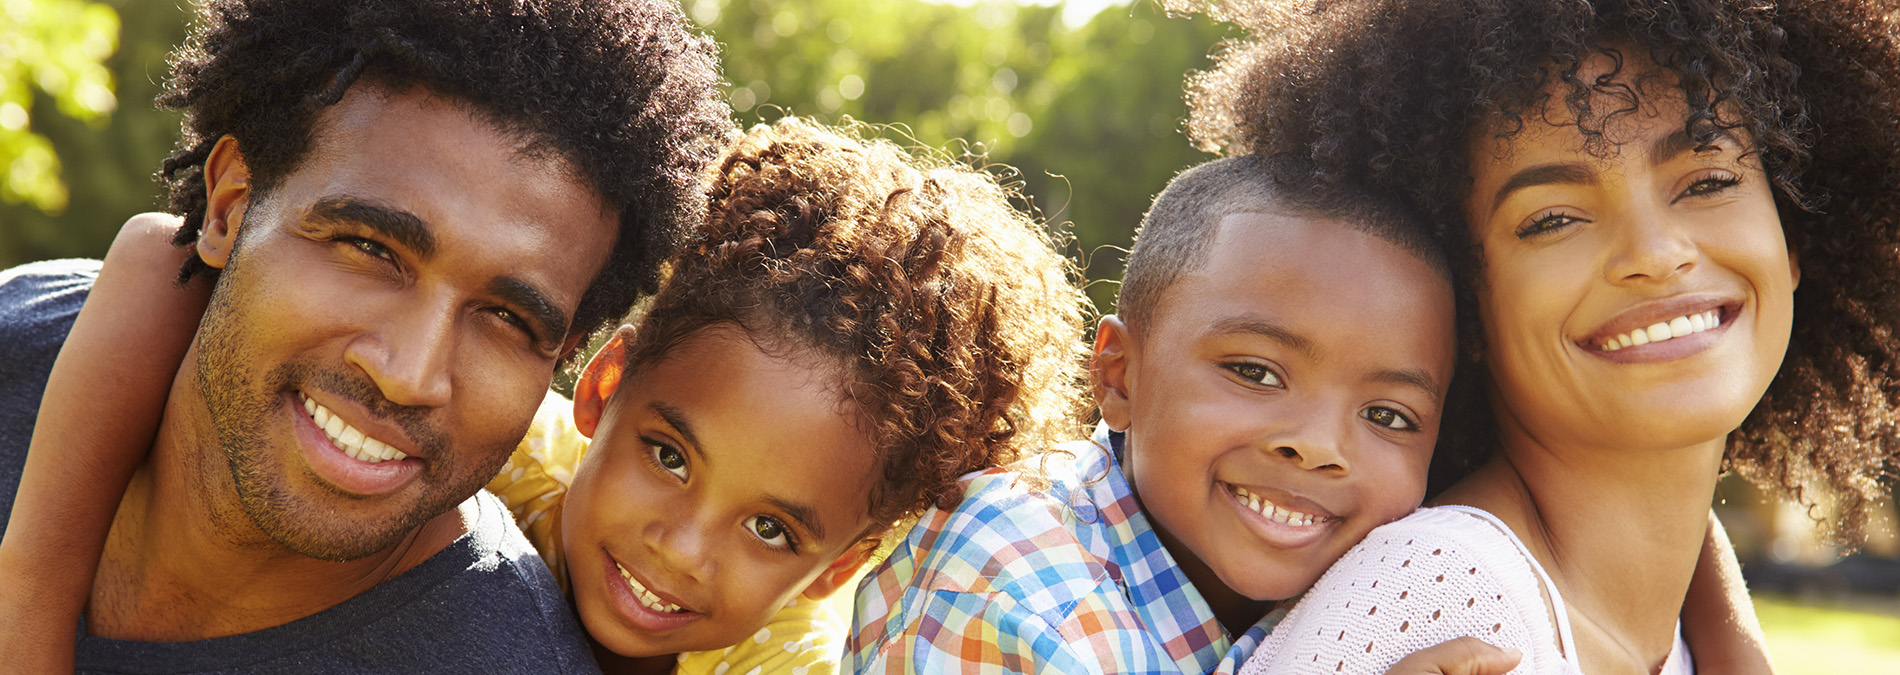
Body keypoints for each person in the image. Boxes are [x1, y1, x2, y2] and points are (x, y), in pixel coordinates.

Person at [9, 117, 1093, 675]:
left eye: (771, 529)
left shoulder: (774, 662)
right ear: (602, 386)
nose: (681, 547)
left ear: (840, 567)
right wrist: (32, 590)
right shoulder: (507, 449)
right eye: (670, 456)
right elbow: (156, 255)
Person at [0, 0, 732, 671]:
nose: (409, 374)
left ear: (564, 358)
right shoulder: (21, 342)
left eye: (509, 318)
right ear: (229, 208)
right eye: (371, 248)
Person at [1178, 0, 1900, 672]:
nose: (1655, 253)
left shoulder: (1688, 625)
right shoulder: (1437, 601)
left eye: (1708, 181)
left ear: (1791, 235)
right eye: (1553, 219)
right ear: (1465, 307)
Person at [846, 153, 1528, 674]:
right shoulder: (1013, 580)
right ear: (1119, 377)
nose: (1320, 445)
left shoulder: (1375, 590)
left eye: (1388, 415)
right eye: (1256, 373)